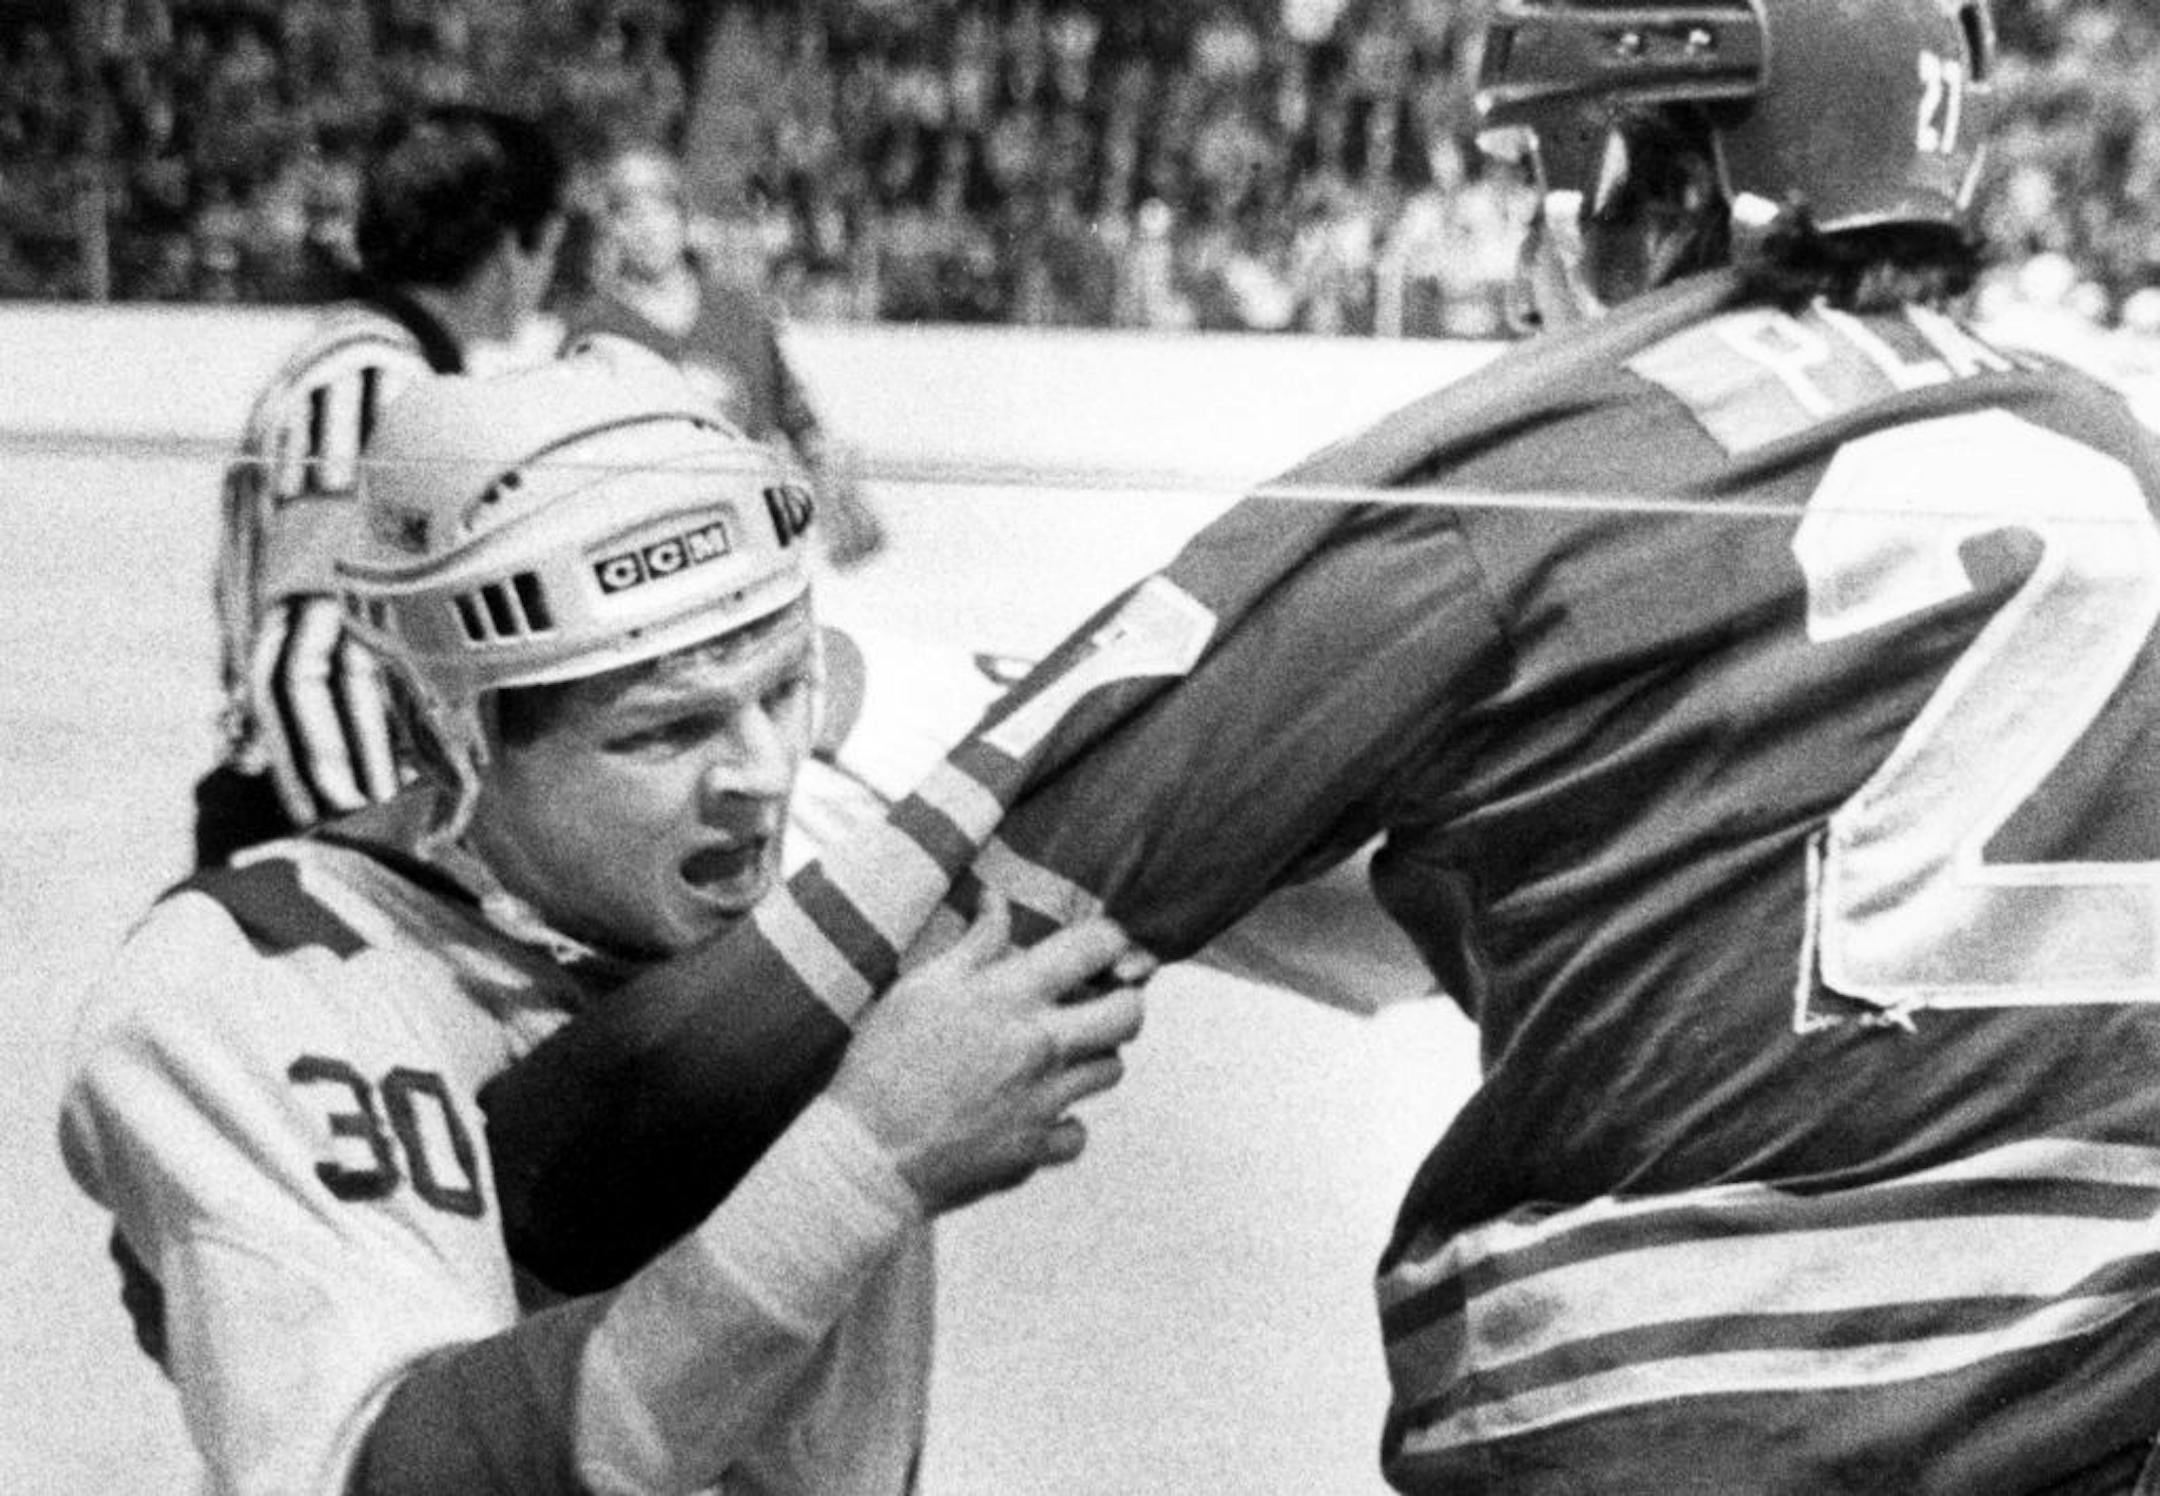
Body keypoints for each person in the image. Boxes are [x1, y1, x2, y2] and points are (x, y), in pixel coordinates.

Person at [470, 1, 2160, 1489]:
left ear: (1683, 169)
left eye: (1567, 167)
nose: (1534, 248)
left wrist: (552, 1149)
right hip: (2095, 1401)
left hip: (1676, 1414)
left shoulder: (1521, 466)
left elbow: (1028, 847)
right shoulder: (2107, 437)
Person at [59, 345, 1148, 1494]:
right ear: (452, 734)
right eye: (662, 733)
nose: (762, 773)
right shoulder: (249, 982)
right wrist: (865, 1160)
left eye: (784, 685)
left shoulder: (862, 800)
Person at [199, 103, 568, 870]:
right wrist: (391, 873)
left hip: (290, 806)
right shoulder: (376, 386)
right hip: (303, 827)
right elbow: (313, 659)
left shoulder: (362, 360)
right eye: (550, 247)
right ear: (510, 250)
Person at [557, 142, 888, 570]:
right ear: (611, 229)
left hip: (753, 534)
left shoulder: (740, 312)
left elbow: (796, 415)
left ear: (682, 218)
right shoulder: (593, 331)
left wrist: (841, 498)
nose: (647, 229)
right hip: (654, 549)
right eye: (629, 215)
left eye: (659, 211)